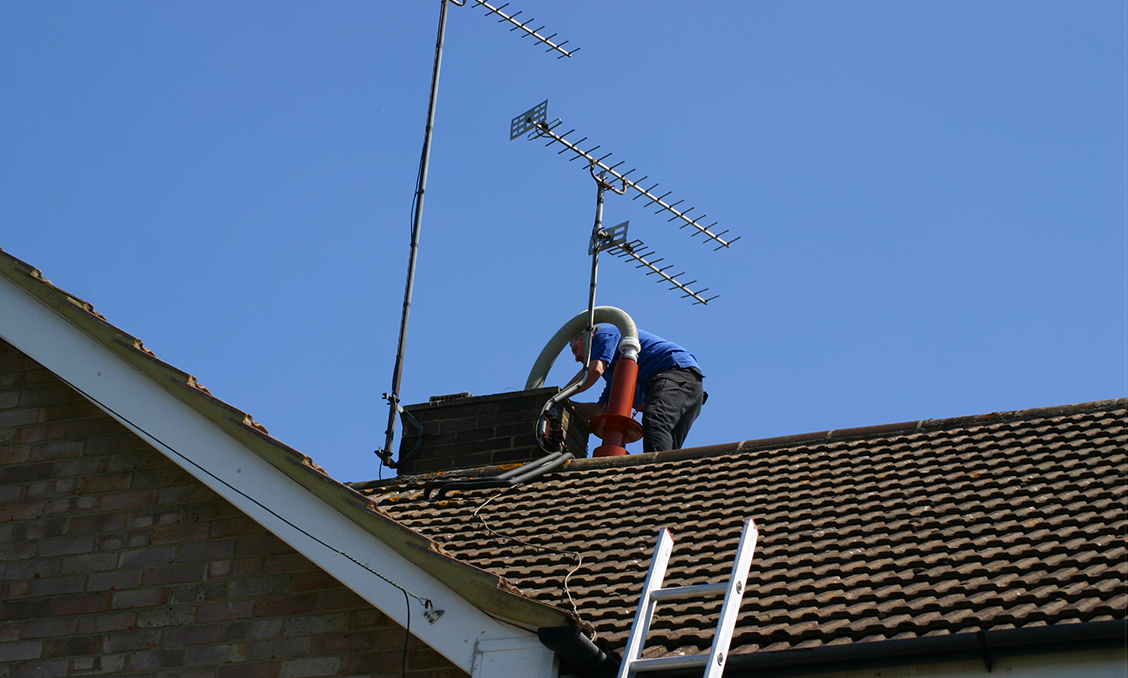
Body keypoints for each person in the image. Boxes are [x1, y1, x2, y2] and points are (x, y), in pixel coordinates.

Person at [568, 325, 705, 452]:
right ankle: (668, 473)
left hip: (676, 373)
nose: (576, 359)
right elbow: (603, 409)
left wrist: (559, 395)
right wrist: (569, 406)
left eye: (575, 349)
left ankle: (657, 471)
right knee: (668, 444)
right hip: (688, 386)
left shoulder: (604, 334)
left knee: (656, 418)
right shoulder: (615, 374)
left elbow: (595, 370)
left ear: (589, 337)